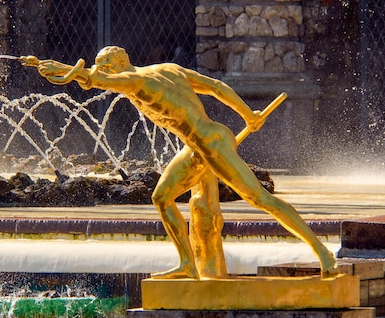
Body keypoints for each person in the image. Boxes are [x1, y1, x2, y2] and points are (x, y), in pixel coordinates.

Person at [21, 46, 338, 279]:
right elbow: (215, 87)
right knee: (161, 196)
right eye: (99, 68)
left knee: (260, 198)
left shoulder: (132, 82)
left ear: (118, 66)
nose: (102, 72)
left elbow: (97, 80)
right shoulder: (167, 69)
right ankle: (188, 263)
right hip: (198, 146)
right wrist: (246, 114)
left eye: (105, 67)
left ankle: (322, 252)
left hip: (209, 143)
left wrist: (76, 73)